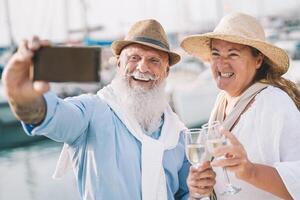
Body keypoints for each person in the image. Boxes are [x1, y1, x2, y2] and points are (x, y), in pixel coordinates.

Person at [2, 19, 216, 200]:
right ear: (119, 65)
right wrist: (22, 97)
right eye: (134, 58)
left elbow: (185, 194)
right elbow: (52, 117)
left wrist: (196, 192)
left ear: (166, 71)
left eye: (154, 61)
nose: (143, 68)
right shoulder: (92, 111)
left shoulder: (178, 134)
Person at [181, 12, 300, 200]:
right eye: (215, 53)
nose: (221, 63)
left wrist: (250, 171)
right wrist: (198, 188)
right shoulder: (221, 101)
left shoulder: (275, 102)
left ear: (258, 60)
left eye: (233, 54)